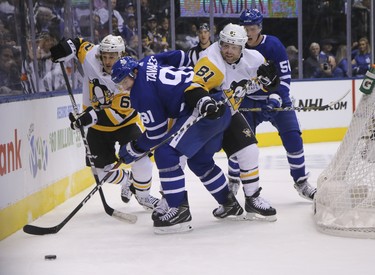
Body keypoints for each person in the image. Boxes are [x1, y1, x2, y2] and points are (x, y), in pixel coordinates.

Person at [111, 50, 244, 234]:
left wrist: (133, 150)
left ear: (133, 73)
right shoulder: (148, 60)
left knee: (166, 153)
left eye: (125, 82)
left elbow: (157, 135)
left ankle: (178, 211)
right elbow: (181, 56)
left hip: (201, 109)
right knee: (199, 161)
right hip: (216, 101)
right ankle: (229, 203)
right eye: (120, 84)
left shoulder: (141, 93)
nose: (124, 88)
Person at [49, 34, 159, 210]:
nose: (107, 61)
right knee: (100, 174)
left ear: (121, 55)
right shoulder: (91, 56)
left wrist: (84, 119)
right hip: (97, 127)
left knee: (142, 159)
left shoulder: (130, 75)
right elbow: (79, 44)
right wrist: (66, 48)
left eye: (112, 56)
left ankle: (144, 196)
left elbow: (115, 115)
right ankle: (128, 180)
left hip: (126, 123)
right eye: (105, 56)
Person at [185, 23, 278, 221]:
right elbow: (195, 88)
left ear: (242, 47)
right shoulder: (210, 59)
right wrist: (207, 102)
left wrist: (270, 82)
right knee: (191, 160)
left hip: (229, 113)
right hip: (202, 117)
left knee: (250, 150)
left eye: (233, 47)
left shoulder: (255, 60)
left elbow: (259, 85)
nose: (228, 50)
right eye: (225, 45)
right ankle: (224, 202)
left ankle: (252, 198)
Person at [237, 8, 316, 200]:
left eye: (253, 28)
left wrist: (276, 97)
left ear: (260, 28)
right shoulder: (236, 47)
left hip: (276, 99)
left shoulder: (273, 45)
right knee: (240, 145)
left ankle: (301, 181)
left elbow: (285, 76)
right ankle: (233, 184)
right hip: (248, 101)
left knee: (293, 138)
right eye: (245, 28)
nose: (249, 32)